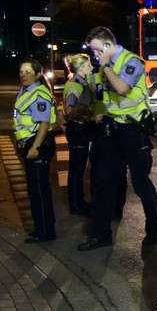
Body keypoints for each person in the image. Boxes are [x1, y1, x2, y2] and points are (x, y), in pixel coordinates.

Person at [78, 26, 157, 251]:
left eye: (96, 51)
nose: (95, 56)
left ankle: (154, 228)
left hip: (134, 131)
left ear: (107, 46)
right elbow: (103, 95)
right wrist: (99, 110)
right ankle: (101, 234)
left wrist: (105, 65)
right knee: (103, 182)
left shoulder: (132, 61)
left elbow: (122, 88)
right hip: (111, 129)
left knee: (140, 182)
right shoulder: (102, 67)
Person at [13, 59, 57, 243]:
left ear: (38, 74)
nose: (23, 74)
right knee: (34, 190)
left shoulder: (39, 93)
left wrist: (35, 147)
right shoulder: (25, 91)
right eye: (21, 71)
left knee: (39, 190)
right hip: (28, 143)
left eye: (27, 71)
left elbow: (44, 123)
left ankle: (45, 232)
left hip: (37, 144)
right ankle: (42, 227)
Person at [62, 53, 97, 215]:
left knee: (79, 167)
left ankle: (79, 200)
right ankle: (75, 203)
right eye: (88, 65)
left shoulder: (80, 83)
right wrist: (78, 111)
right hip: (77, 129)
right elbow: (70, 110)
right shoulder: (75, 86)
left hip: (80, 129)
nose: (91, 67)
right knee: (77, 169)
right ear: (81, 67)